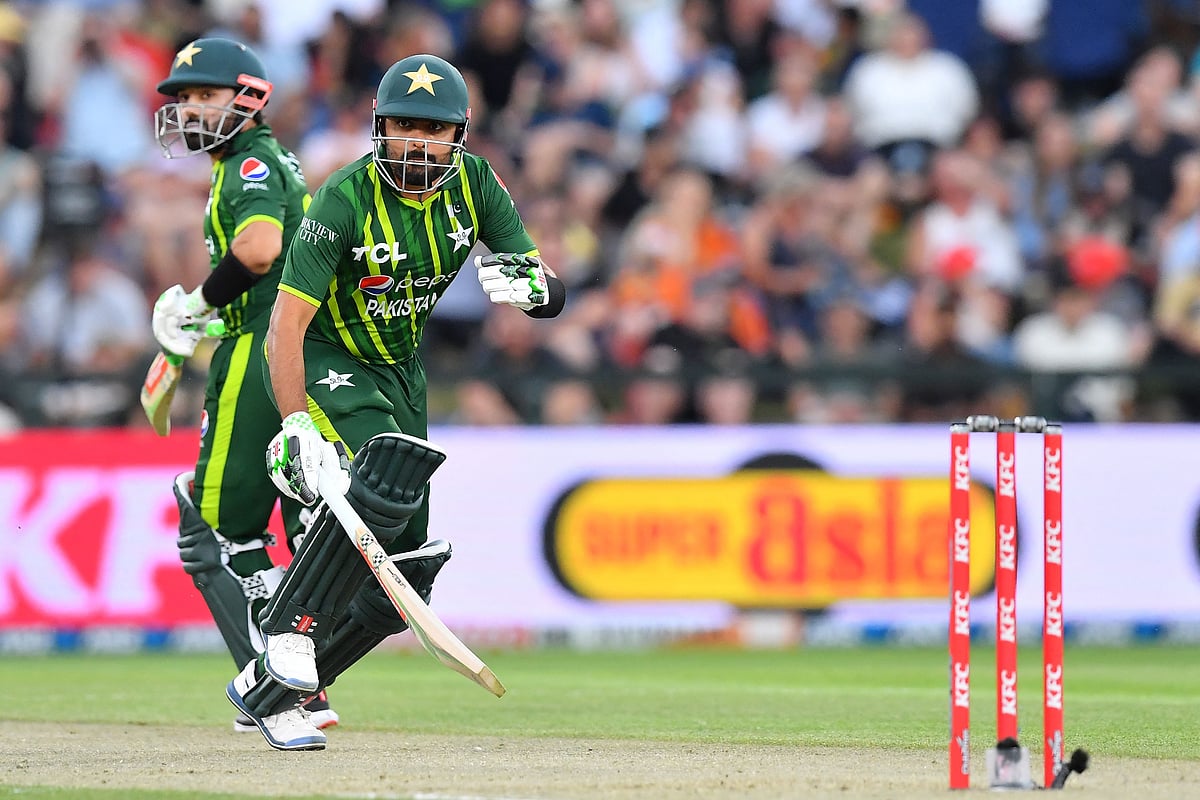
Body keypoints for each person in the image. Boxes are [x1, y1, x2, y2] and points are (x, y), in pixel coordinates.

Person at [225, 53, 566, 751]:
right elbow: (285, 326)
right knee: (376, 481)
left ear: (459, 137)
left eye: (433, 130)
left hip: (399, 367)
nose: (418, 143)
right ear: (379, 128)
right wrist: (293, 423)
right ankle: (289, 628)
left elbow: (531, 274)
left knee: (406, 573)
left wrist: (542, 293)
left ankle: (277, 688)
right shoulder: (343, 199)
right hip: (326, 354)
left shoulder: (475, 184)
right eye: (405, 126)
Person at [147, 37, 338, 732]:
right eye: (184, 99)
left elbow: (257, 251)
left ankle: (277, 688)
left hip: (261, 339)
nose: (190, 109)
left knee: (214, 525)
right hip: (291, 339)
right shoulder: (260, 159)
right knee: (269, 524)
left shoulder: (252, 162)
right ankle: (299, 680)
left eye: (204, 95)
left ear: (248, 97)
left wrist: (198, 306)